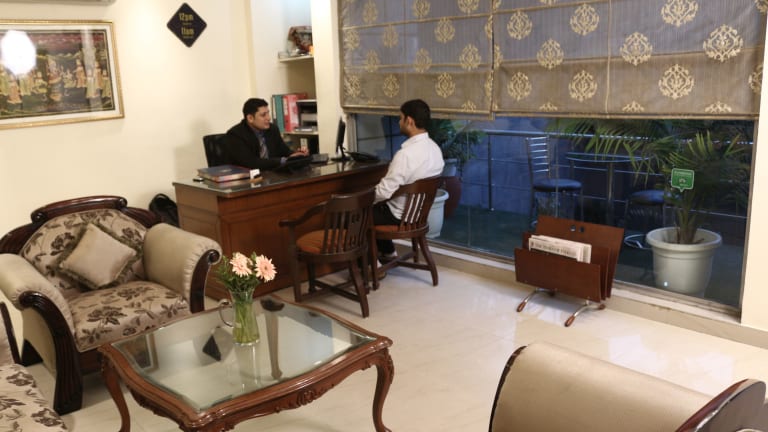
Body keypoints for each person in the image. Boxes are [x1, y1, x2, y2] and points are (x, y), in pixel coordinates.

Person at [373, 99, 444, 261]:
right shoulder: (435, 149)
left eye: (400, 118)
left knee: (355, 215)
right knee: (376, 208)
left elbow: (383, 193)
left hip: (399, 216)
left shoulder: (405, 155)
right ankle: (388, 253)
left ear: (409, 121)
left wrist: (363, 200)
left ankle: (371, 265)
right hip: (419, 215)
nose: (399, 122)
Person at [224, 98, 308, 170]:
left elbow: (284, 151)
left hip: (273, 175)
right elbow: (251, 163)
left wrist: (296, 155)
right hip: (248, 179)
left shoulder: (272, 129)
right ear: (250, 118)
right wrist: (282, 160)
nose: (269, 118)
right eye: (263, 115)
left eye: (268, 113)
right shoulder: (235, 135)